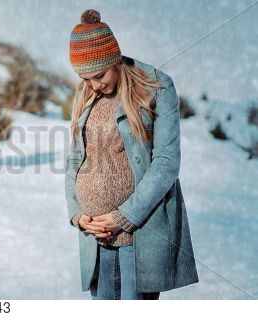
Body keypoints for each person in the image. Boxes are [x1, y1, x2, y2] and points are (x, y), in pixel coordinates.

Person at [65, 9, 199, 300]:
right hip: (96, 239)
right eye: (85, 79)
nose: (94, 86)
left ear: (114, 59)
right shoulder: (86, 92)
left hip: (138, 237)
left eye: (98, 76)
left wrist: (123, 217)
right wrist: (78, 214)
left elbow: (166, 164)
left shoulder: (157, 87)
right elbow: (74, 161)